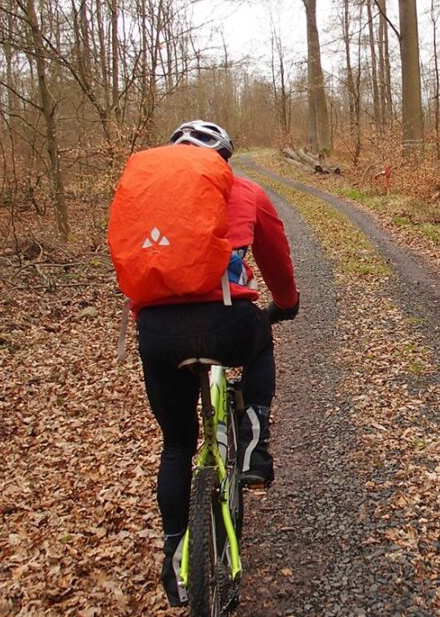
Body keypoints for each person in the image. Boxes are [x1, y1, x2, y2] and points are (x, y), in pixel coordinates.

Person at [133, 120, 299, 606]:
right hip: (226, 323)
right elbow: (276, 259)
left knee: (177, 444)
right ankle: (253, 443)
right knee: (261, 336)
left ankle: (173, 554)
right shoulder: (245, 190)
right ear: (223, 158)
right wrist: (285, 304)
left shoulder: (149, 201)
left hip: (158, 333)